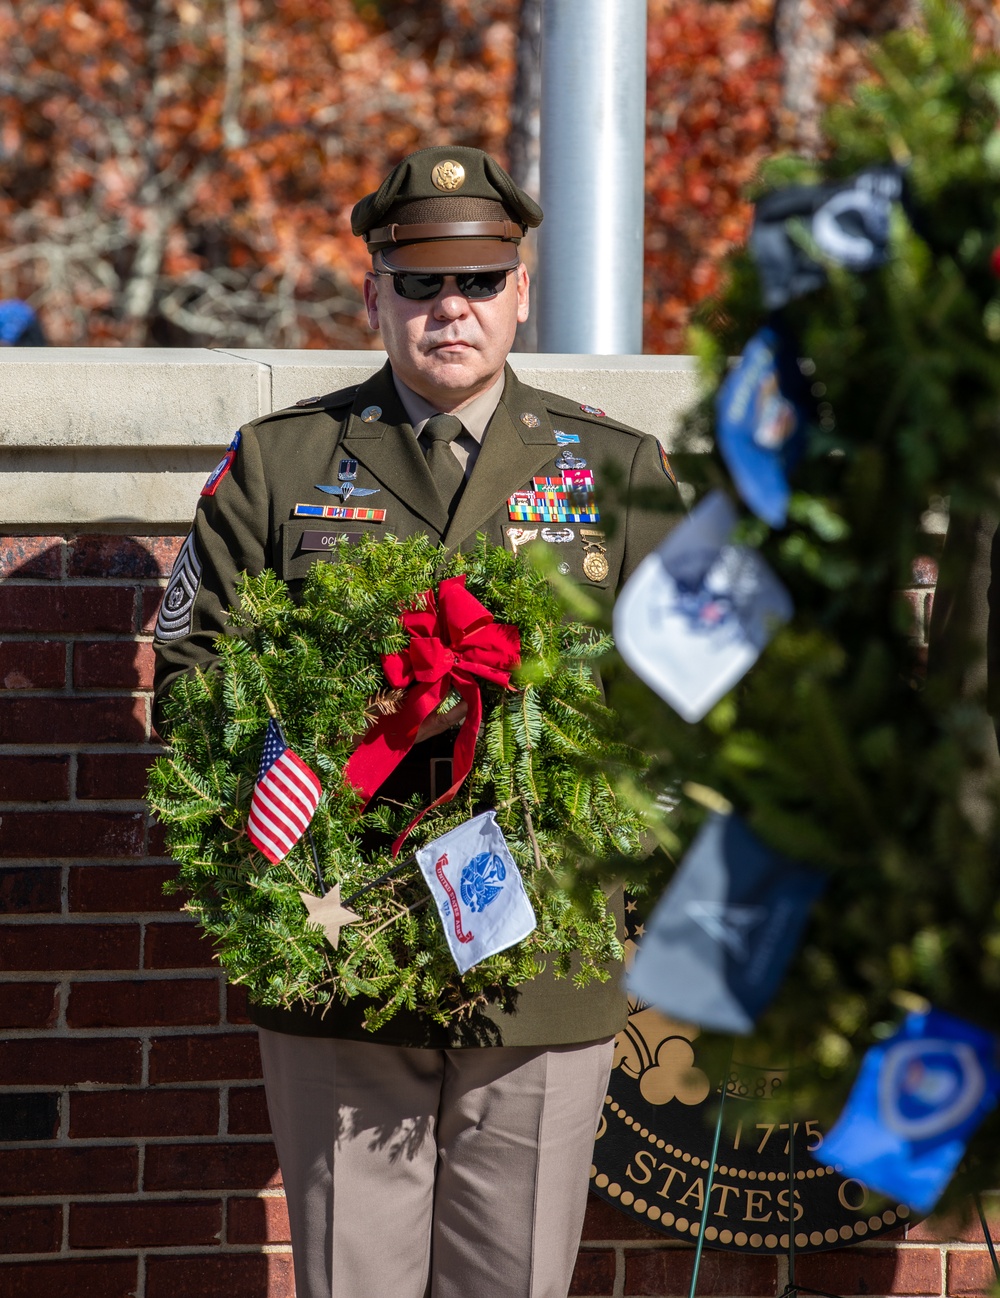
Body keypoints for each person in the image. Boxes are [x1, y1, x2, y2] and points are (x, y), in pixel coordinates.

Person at [153, 144, 680, 1298]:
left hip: (542, 954)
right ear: (373, 292)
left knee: (515, 1281)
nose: (452, 307)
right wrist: (317, 784)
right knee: (355, 1279)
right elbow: (192, 675)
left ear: (522, 291)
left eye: (481, 281)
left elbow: (687, 701)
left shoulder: (614, 470)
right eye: (421, 281)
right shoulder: (280, 465)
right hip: (336, 943)